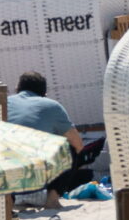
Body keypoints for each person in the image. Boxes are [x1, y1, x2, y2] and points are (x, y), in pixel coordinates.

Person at [6, 71, 94, 204]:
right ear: (44, 93)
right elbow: (78, 144)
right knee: (69, 148)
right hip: (36, 173)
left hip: (3, 172)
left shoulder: (3, 102)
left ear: (17, 89)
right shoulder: (51, 105)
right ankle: (52, 198)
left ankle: (8, 203)